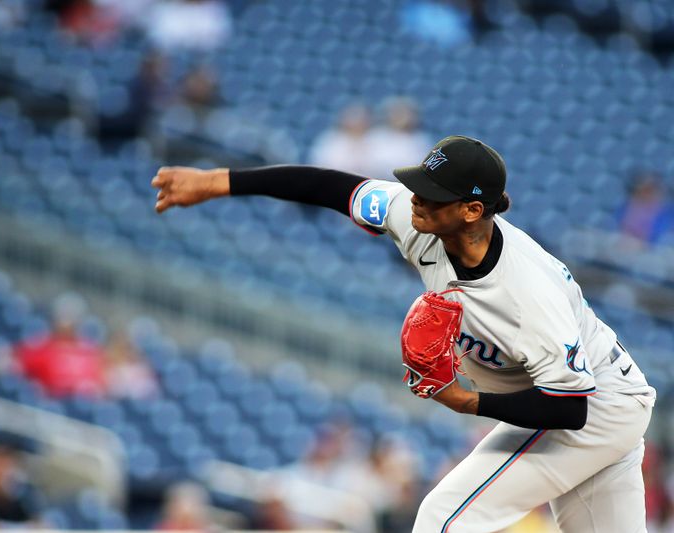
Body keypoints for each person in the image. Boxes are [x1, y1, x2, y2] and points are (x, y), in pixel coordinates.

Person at [151, 135, 656, 532]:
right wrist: (218, 181)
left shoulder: (527, 295)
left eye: (432, 194)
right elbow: (331, 187)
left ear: (472, 211)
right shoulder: (418, 220)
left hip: (594, 408)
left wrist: (467, 401)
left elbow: (570, 409)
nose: (414, 198)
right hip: (593, 401)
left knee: (443, 519)